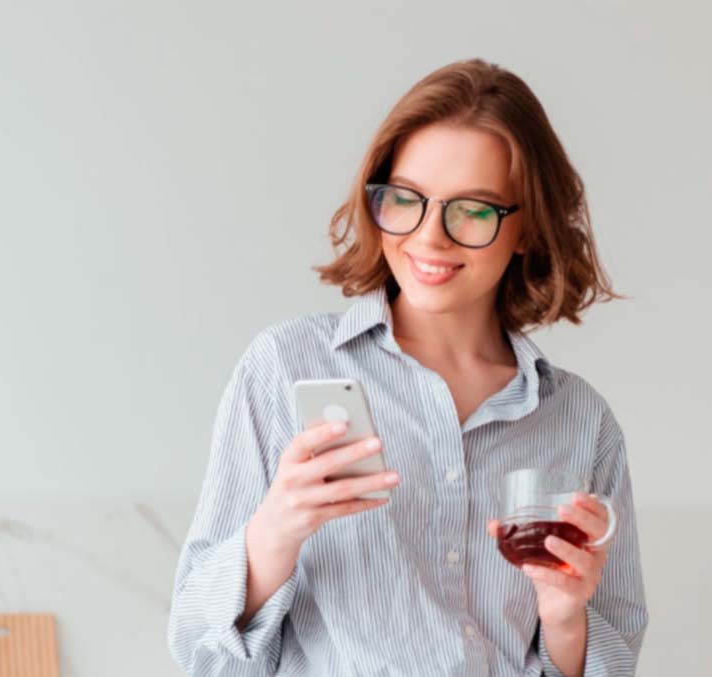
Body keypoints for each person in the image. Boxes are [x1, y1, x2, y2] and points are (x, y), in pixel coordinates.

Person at [167, 57, 648, 676]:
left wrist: (563, 619)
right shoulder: (284, 367)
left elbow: (613, 660)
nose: (429, 237)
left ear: (527, 227)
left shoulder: (580, 420)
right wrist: (275, 532)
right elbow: (197, 649)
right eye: (406, 200)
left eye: (472, 210)